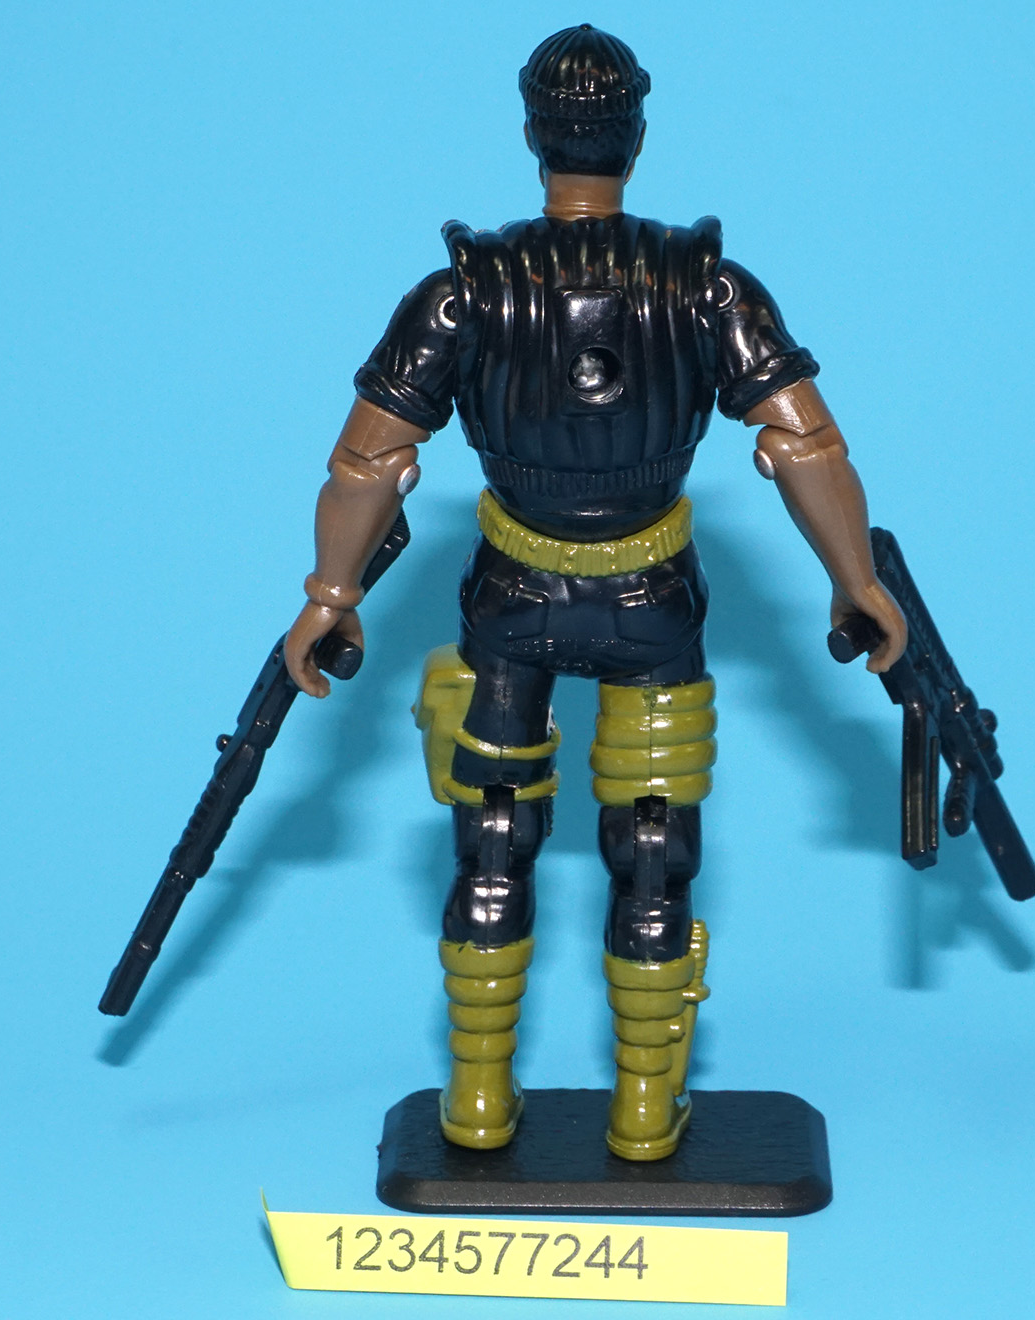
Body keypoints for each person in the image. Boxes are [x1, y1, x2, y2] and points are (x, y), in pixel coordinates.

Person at [281, 25, 907, 1162]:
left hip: (509, 597)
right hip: (653, 600)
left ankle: (477, 1103)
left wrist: (332, 591)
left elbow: (369, 460)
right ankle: (643, 1114)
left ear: (534, 135)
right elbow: (803, 444)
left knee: (493, 839)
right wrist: (853, 578)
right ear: (637, 137)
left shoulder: (464, 294)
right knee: (653, 849)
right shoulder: (705, 287)